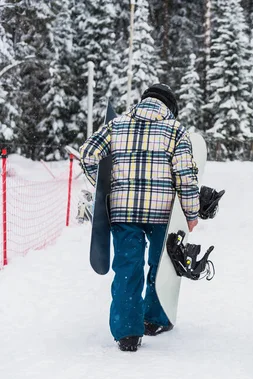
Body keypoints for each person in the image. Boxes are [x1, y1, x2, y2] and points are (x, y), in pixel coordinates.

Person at [80, 83, 200, 352]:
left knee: (127, 268)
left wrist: (104, 184)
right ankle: (154, 319)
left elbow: (88, 153)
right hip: (162, 212)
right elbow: (186, 176)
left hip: (123, 211)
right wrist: (191, 212)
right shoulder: (175, 130)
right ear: (170, 107)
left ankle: (127, 332)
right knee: (162, 266)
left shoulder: (117, 125)